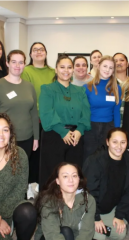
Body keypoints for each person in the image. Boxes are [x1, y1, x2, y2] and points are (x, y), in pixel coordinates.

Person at [39, 54, 91, 189]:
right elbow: (46, 113)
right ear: (56, 69)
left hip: (76, 138)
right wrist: (63, 132)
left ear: (73, 70)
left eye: (69, 67)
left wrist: (80, 130)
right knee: (52, 175)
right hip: (54, 136)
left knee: (73, 176)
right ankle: (49, 205)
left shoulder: (80, 91)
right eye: (62, 67)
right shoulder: (47, 89)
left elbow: (86, 113)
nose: (66, 70)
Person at [83, 128, 129, 240]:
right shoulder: (95, 161)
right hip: (88, 208)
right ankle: (80, 225)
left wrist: (119, 215)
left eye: (122, 142)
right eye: (115, 142)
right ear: (107, 142)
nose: (119, 146)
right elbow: (89, 192)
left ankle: (98, 227)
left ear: (127, 143)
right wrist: (96, 218)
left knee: (120, 234)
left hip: (109, 209)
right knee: (99, 236)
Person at [0, 50, 39, 161]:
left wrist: (36, 138)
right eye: (14, 62)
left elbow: (34, 114)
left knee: (22, 172)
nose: (17, 65)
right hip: (4, 139)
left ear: (24, 64)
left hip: (27, 138)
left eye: (21, 62)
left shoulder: (29, 86)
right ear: (7, 63)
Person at [21, 42, 55, 185]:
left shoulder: (54, 72)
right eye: (35, 50)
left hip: (51, 120)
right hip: (34, 119)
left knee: (47, 156)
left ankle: (46, 185)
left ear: (46, 53)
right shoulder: (26, 71)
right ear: (30, 54)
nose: (38, 52)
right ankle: (31, 185)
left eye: (41, 49)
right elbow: (27, 95)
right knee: (33, 155)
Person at [34, 162, 96, 240]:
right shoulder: (49, 201)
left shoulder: (88, 200)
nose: (71, 180)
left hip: (75, 237)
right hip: (49, 237)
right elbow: (52, 234)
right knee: (66, 231)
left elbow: (87, 231)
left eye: (74, 176)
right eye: (65, 176)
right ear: (58, 181)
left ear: (79, 179)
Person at [83, 55, 122, 160]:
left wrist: (117, 131)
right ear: (98, 66)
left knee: (106, 159)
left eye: (111, 68)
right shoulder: (87, 87)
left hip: (109, 128)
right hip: (90, 128)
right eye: (105, 66)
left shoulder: (117, 88)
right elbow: (83, 111)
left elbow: (116, 111)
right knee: (89, 159)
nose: (107, 70)